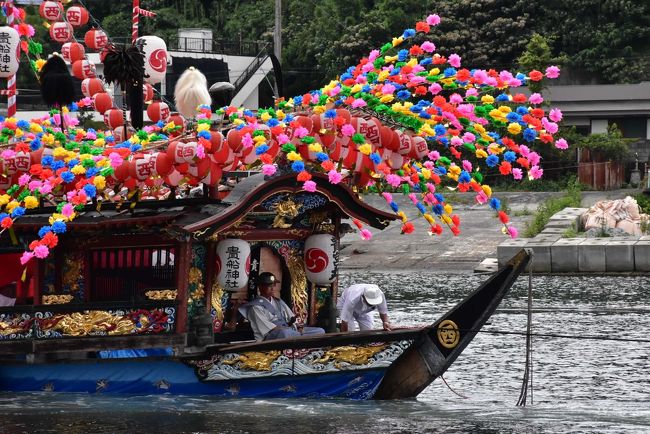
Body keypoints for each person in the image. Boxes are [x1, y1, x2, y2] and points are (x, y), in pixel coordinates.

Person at [239, 272, 325, 341]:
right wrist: (289, 329)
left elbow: (291, 318)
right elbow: (269, 328)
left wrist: (297, 326)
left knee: (320, 331)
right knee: (285, 333)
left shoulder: (278, 302)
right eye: (269, 286)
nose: (272, 288)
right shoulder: (255, 307)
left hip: (290, 331)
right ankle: (300, 338)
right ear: (260, 287)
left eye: (273, 286)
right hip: (271, 336)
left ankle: (299, 338)